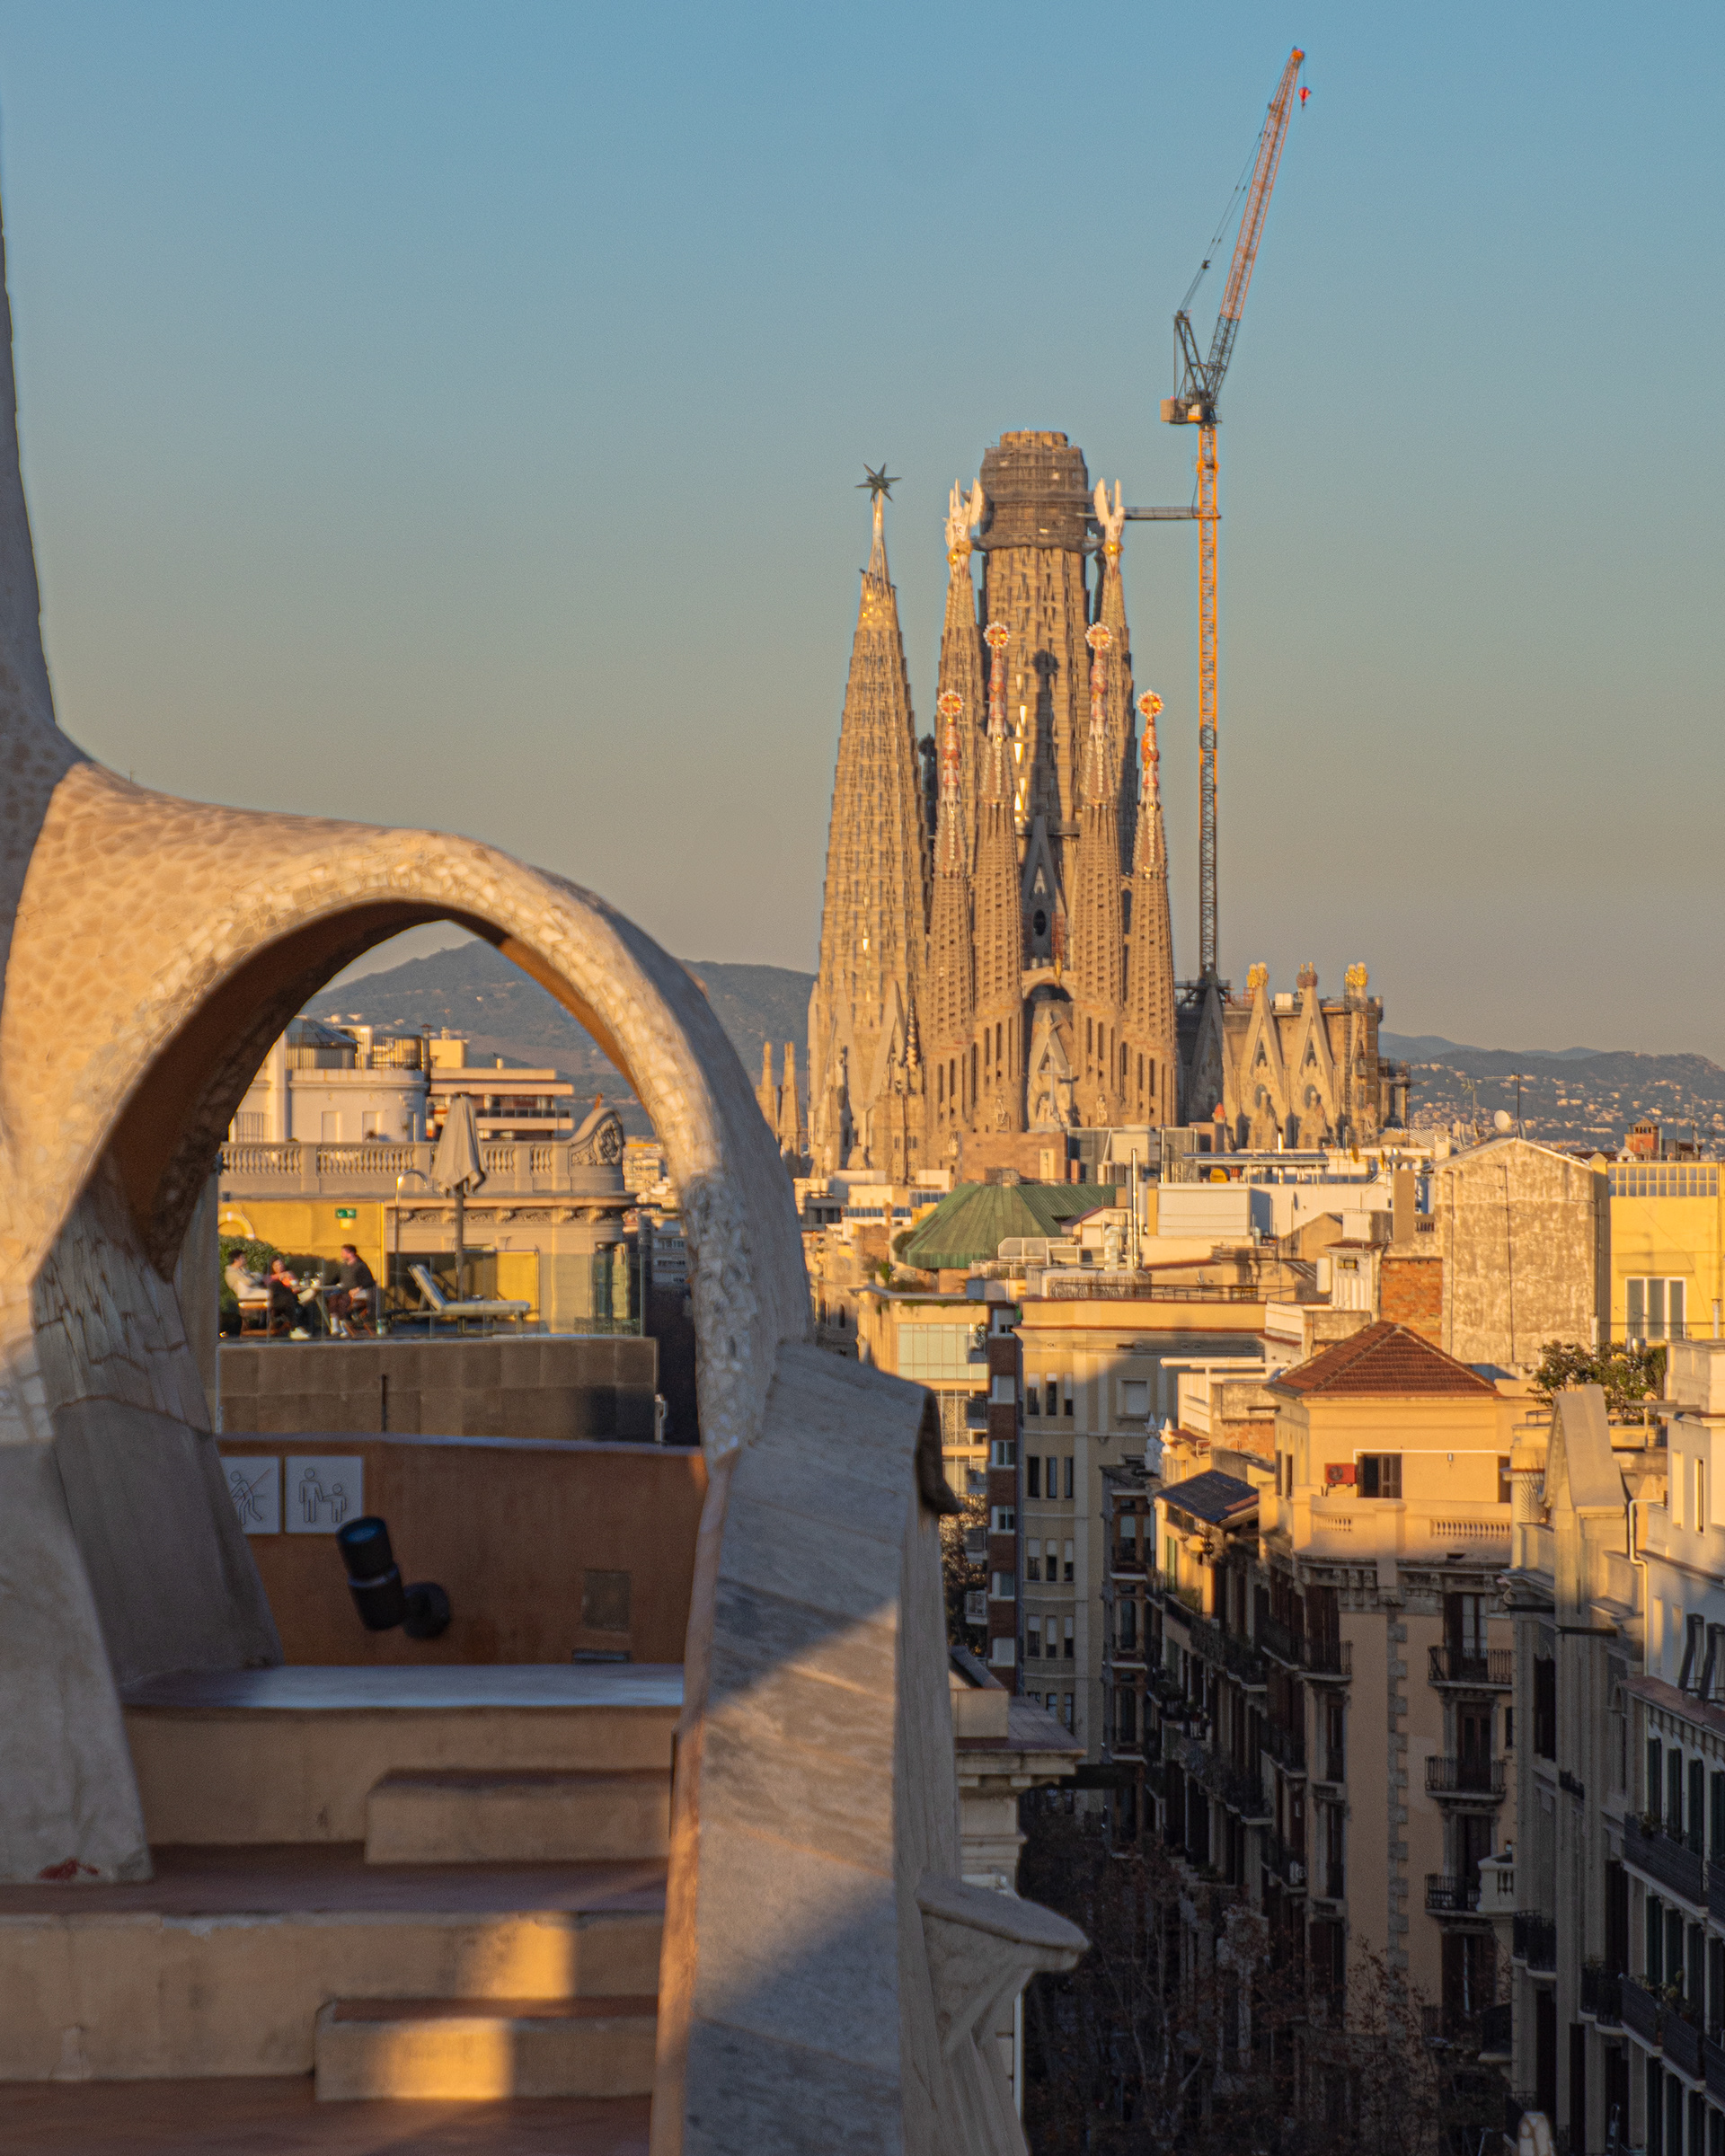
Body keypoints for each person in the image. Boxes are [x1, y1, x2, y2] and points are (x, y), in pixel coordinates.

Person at [328, 1244, 377, 1336]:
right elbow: (336, 1279)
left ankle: (346, 1327)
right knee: (333, 1299)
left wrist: (357, 1289)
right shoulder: (343, 1266)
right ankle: (335, 1327)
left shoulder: (360, 1265)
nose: (341, 1255)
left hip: (358, 1292)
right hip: (343, 1290)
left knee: (343, 1301)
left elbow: (369, 1281)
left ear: (351, 1254)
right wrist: (326, 1284)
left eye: (343, 1252)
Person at [266, 1257, 312, 1339]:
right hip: (280, 1301)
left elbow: (296, 1286)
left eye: (280, 1264)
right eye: (276, 1265)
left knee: (306, 1295)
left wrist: (294, 1282)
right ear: (272, 1267)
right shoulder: (271, 1278)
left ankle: (297, 1329)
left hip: (292, 1296)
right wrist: (282, 1275)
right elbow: (268, 1280)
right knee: (293, 1302)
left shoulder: (289, 1274)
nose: (279, 1267)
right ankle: (295, 1329)